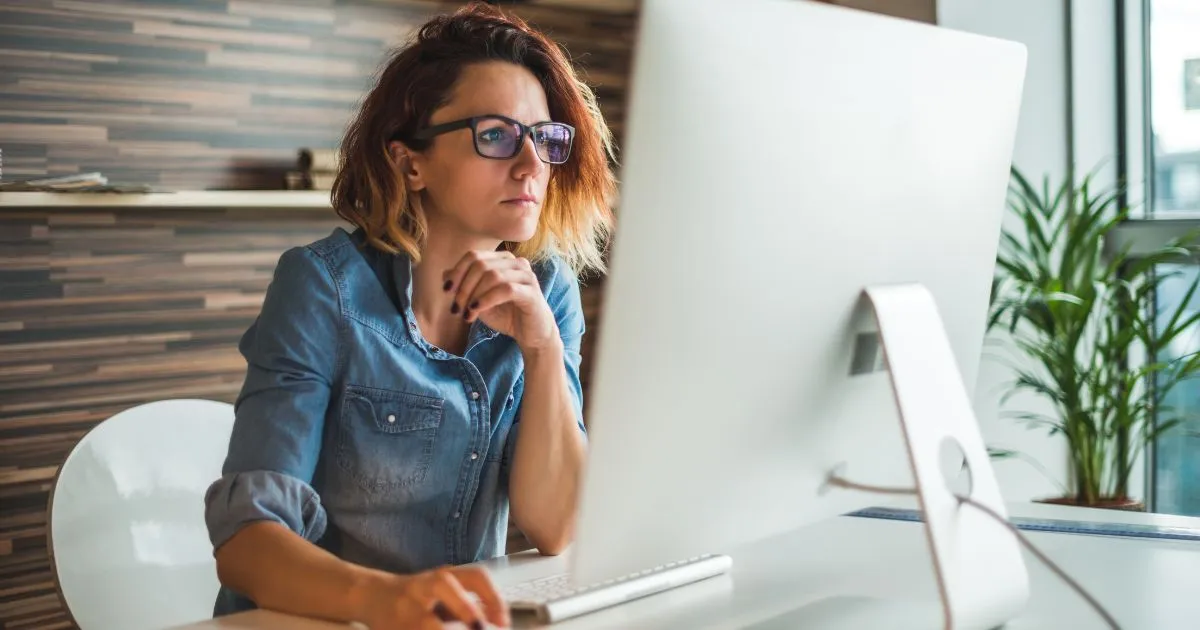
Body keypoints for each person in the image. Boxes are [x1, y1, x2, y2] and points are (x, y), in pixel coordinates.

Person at [202, 2, 617, 628]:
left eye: (545, 139)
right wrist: (383, 600)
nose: (532, 164)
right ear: (410, 161)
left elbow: (556, 527)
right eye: (496, 135)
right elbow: (246, 543)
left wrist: (542, 347)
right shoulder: (322, 287)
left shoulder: (548, 291)